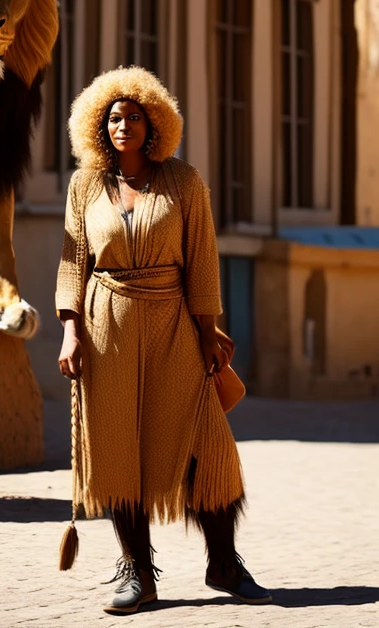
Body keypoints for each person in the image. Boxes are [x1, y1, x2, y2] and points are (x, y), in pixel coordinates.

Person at [55, 66, 271, 614]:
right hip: (106, 328)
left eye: (132, 116)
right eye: (112, 118)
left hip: (174, 322)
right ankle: (137, 573)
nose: (121, 125)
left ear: (154, 123)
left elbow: (201, 260)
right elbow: (73, 263)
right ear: (97, 128)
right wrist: (70, 331)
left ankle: (223, 563)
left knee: (206, 448)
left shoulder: (184, 181)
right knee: (118, 448)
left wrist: (208, 328)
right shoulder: (84, 186)